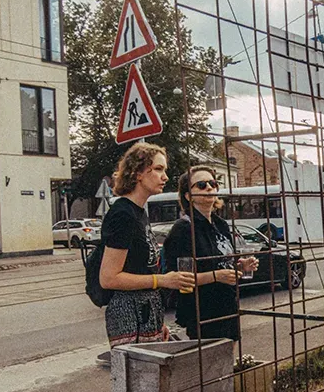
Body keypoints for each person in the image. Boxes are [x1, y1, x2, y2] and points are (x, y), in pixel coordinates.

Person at [99, 141, 195, 347]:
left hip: (146, 312)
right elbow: (108, 278)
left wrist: (157, 321)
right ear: (137, 173)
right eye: (158, 169)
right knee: (138, 368)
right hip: (129, 315)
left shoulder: (139, 212)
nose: (165, 177)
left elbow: (141, 267)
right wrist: (163, 280)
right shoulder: (123, 214)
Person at [162, 165, 258, 342]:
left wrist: (240, 266)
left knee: (228, 355)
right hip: (203, 312)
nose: (209, 188)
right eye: (201, 185)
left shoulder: (220, 224)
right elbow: (181, 279)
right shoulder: (184, 229)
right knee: (209, 358)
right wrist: (216, 276)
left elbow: (223, 263)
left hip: (228, 306)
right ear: (188, 196)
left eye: (213, 184)